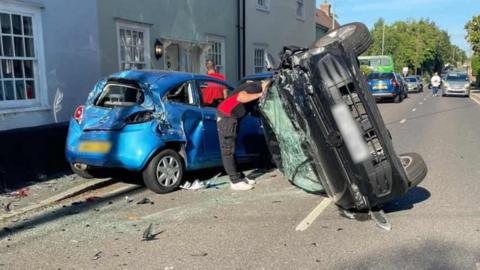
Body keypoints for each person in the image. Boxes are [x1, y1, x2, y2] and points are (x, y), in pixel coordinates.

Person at [216, 79, 272, 191]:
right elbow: (241, 97)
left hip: (230, 115)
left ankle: (239, 177)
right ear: (266, 86)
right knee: (228, 150)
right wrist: (261, 94)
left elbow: (245, 84)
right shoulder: (257, 88)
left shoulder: (252, 84)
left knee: (231, 149)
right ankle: (235, 181)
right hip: (227, 116)